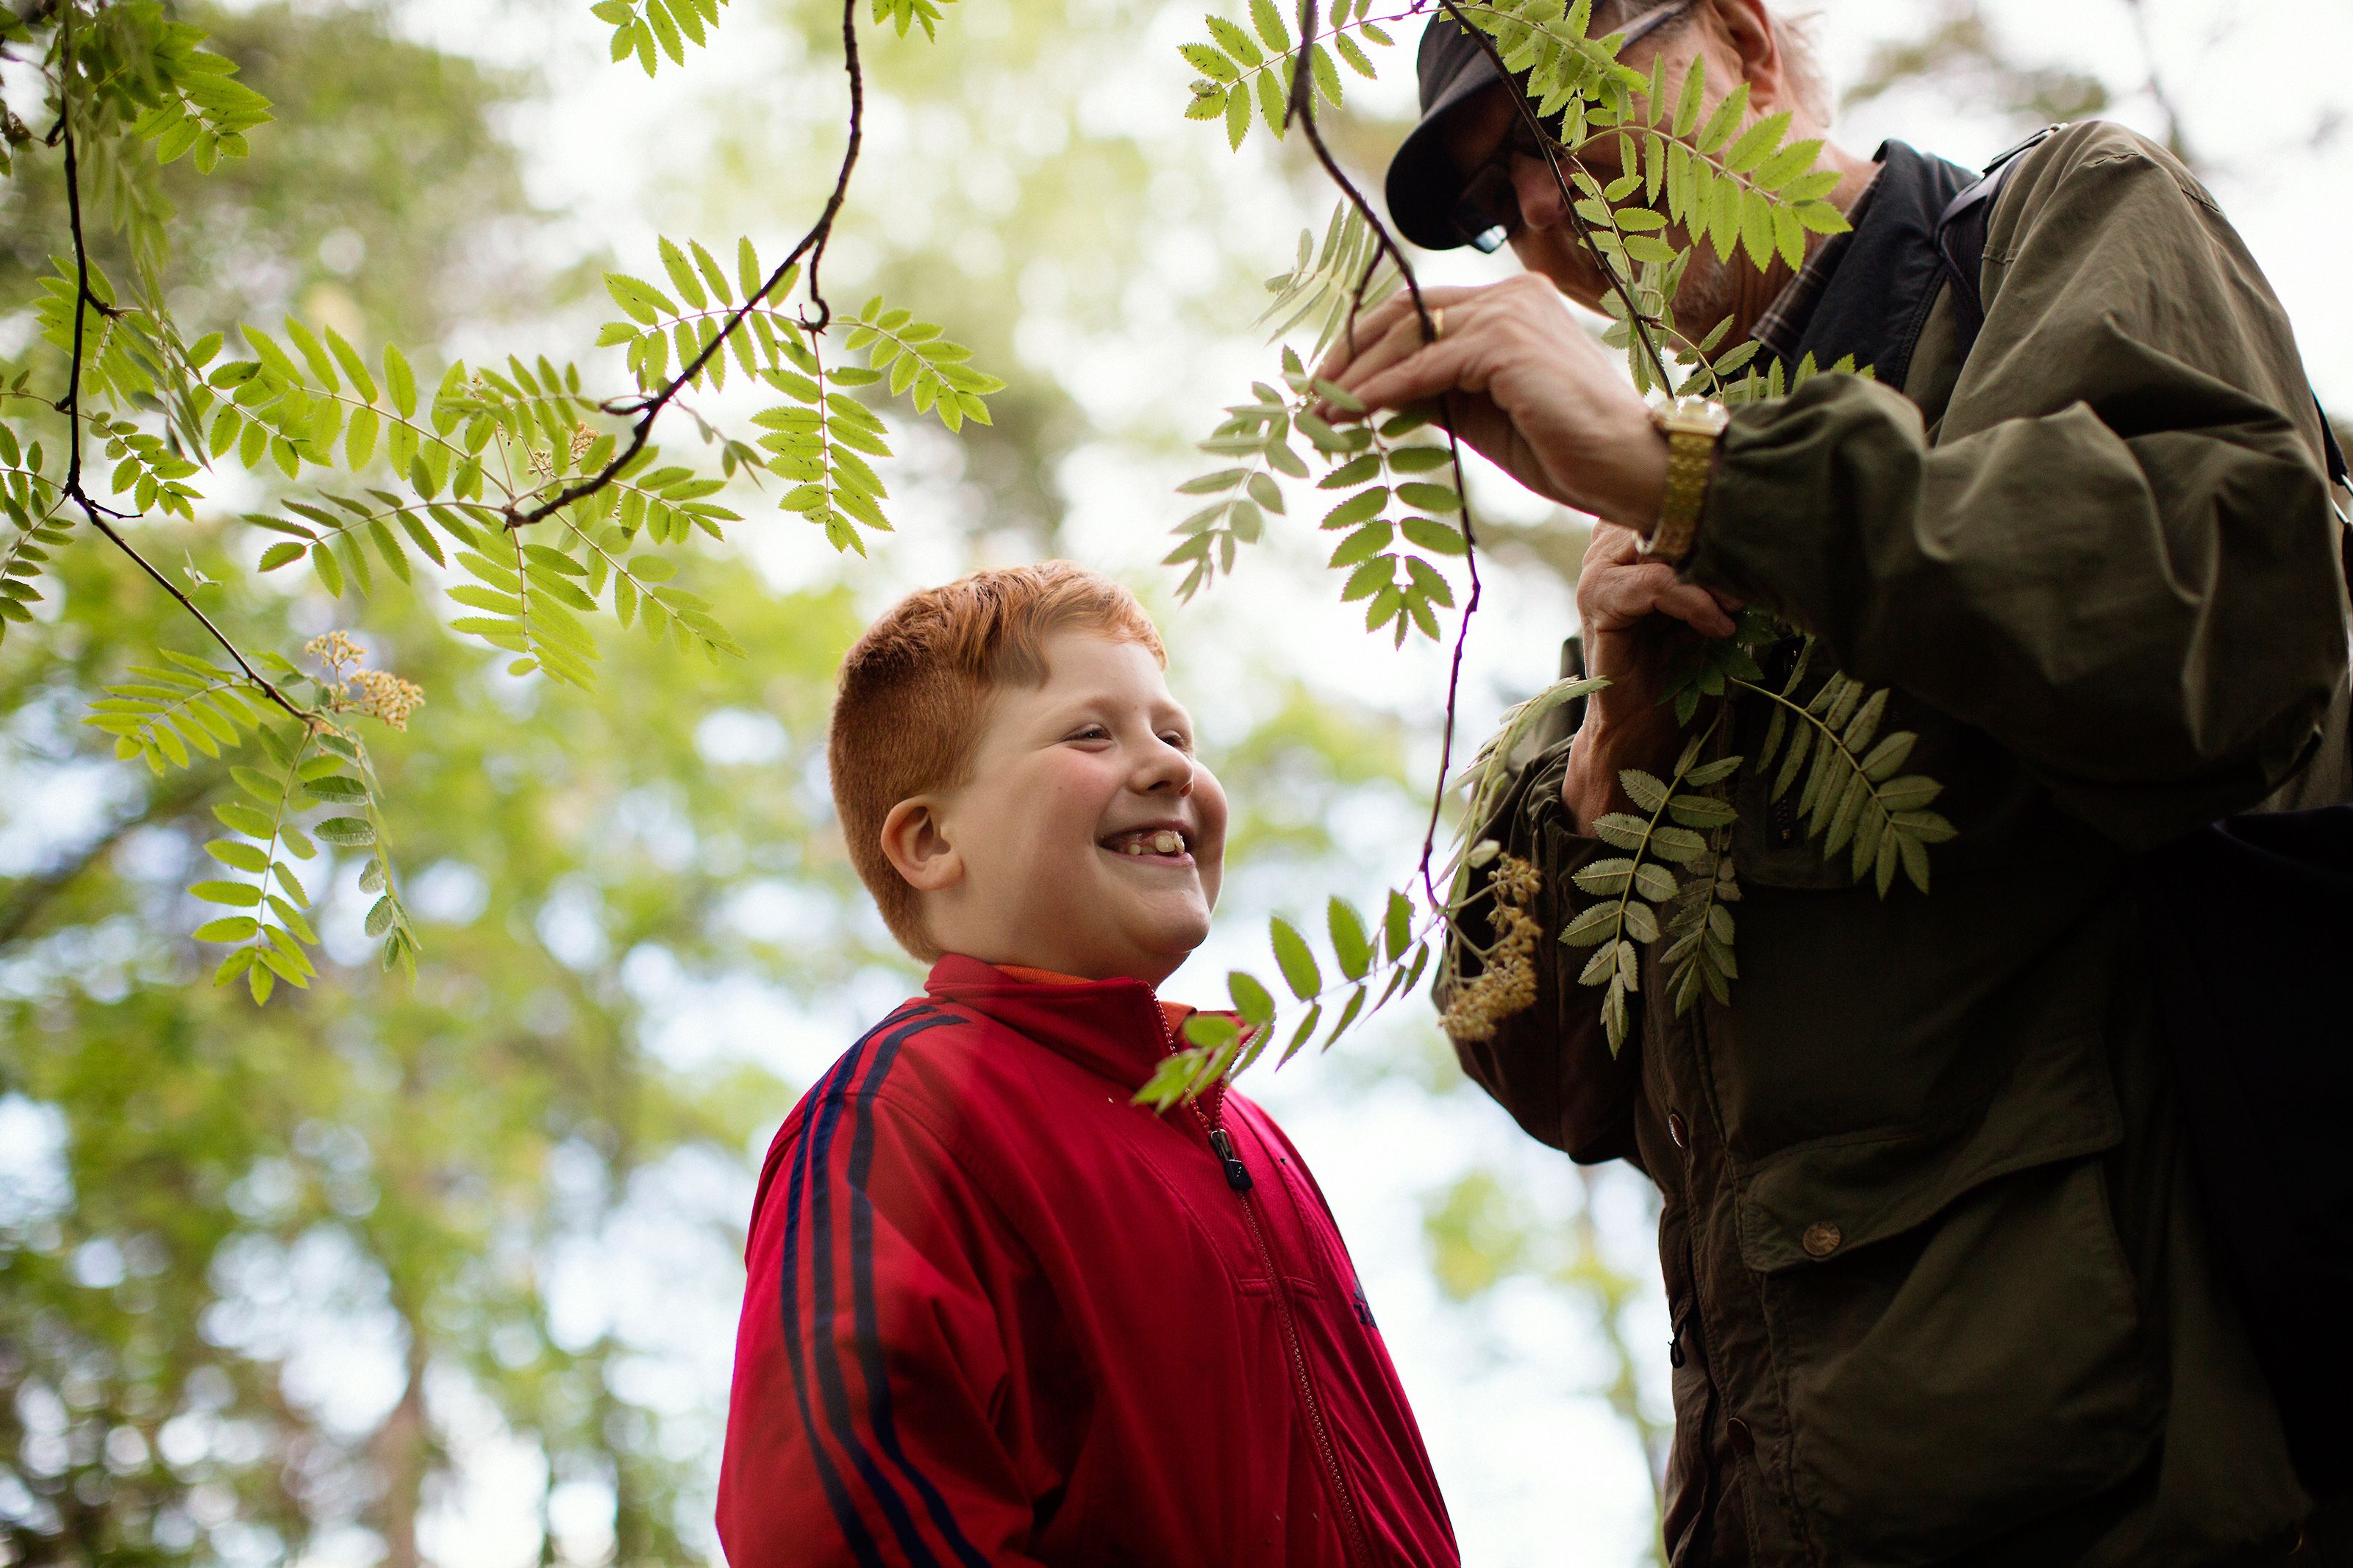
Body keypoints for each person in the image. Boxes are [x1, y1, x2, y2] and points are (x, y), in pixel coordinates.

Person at [1329, 0, 2352, 1564]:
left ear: (1741, 40)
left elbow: (2216, 633)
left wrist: (1704, 480)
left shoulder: (2057, 224)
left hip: (2156, 1505)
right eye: (1490, 192)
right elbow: (1531, 1057)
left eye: (1558, 114)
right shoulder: (1636, 547)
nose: (1539, 204)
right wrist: (1611, 757)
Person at [715, 562, 1458, 1567]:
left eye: (1176, 735)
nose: (1167, 768)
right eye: (1092, 734)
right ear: (930, 840)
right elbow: (841, 1526)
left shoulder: (1247, 1132)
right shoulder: (899, 1115)